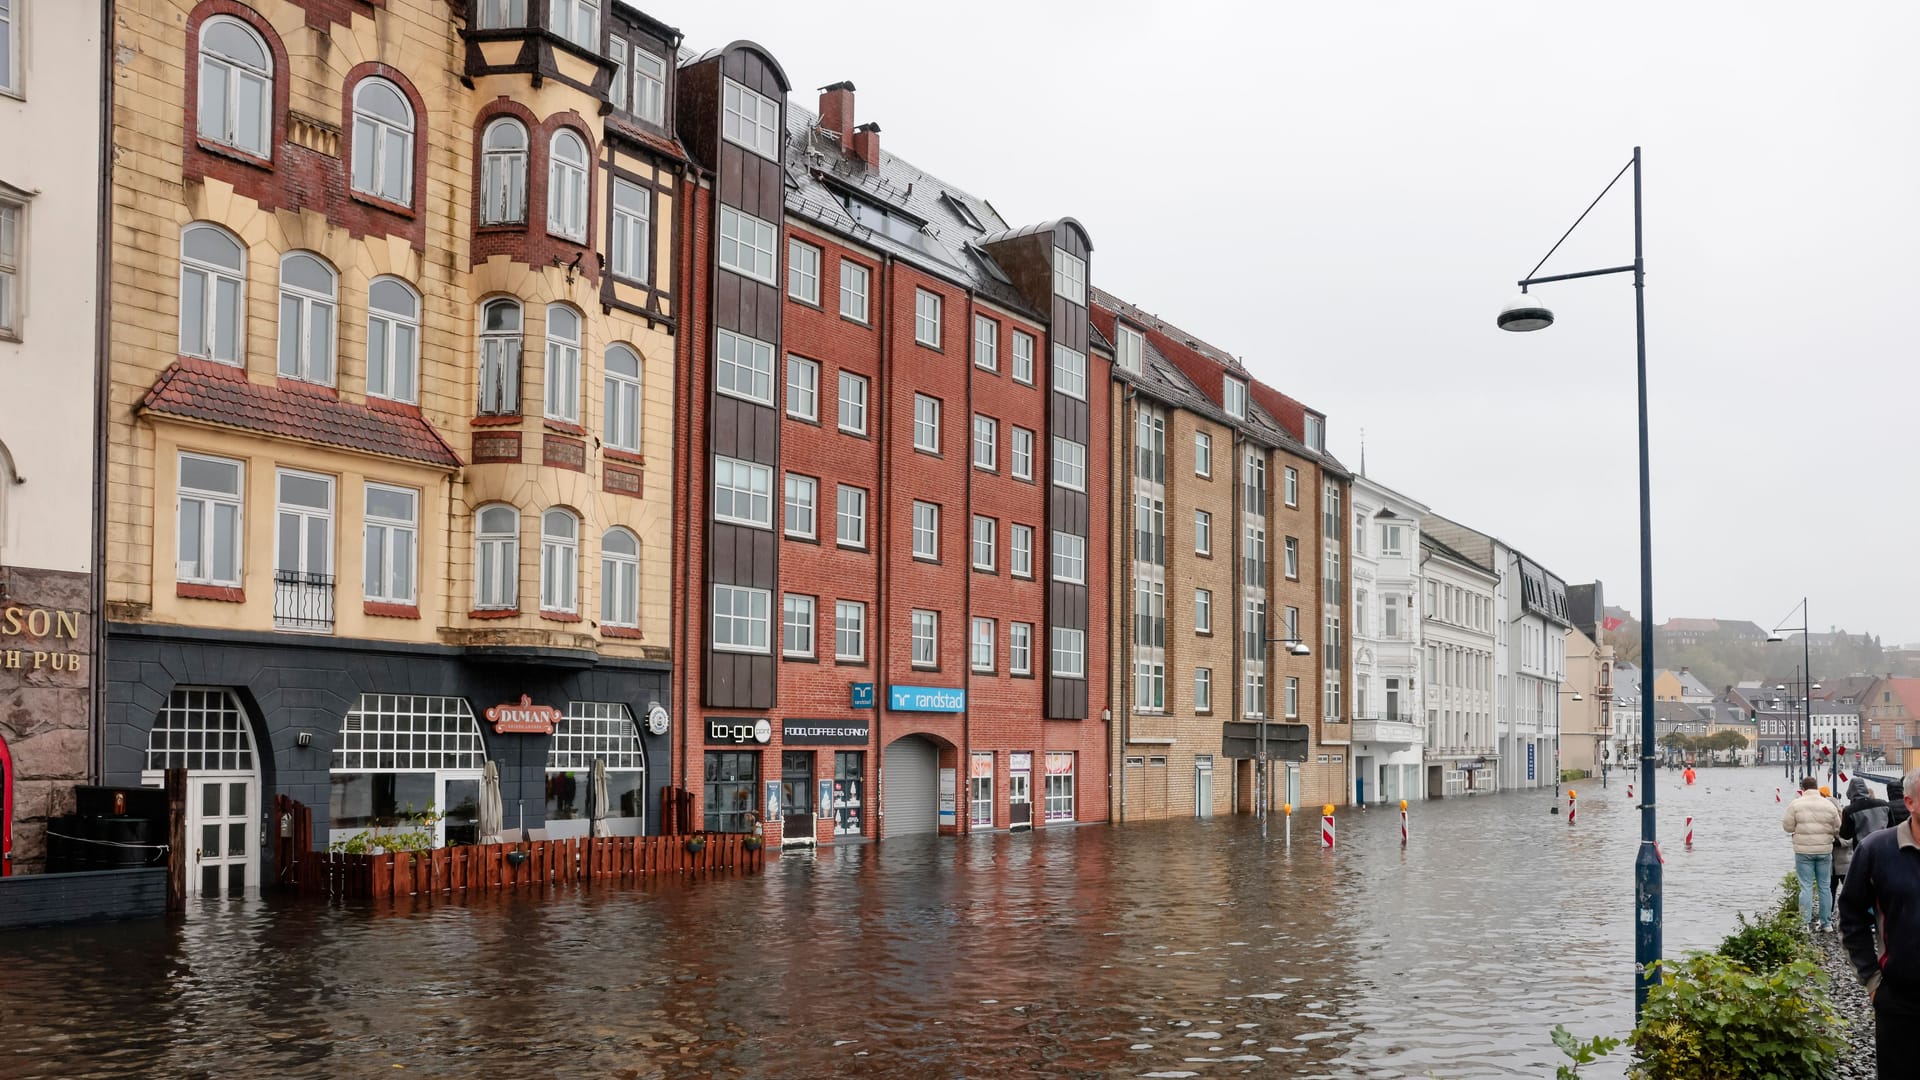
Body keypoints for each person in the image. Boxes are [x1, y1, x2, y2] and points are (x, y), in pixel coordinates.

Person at [1838, 767, 1920, 1078]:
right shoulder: (1877, 849)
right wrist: (1872, 979)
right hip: (1900, 995)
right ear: (1910, 803)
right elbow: (1851, 914)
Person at [1782, 776, 1843, 932]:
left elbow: (1788, 827)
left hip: (1803, 851)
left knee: (1806, 887)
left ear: (1803, 788)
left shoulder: (1795, 804)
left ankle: (1804, 924)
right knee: (1824, 886)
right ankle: (1827, 923)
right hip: (1824, 850)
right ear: (1817, 787)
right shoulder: (1828, 805)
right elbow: (1838, 828)